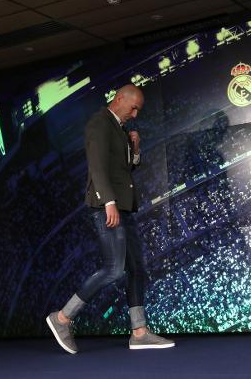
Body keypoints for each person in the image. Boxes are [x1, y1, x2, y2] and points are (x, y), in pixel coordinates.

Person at [46, 84, 175, 353]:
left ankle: (139, 333)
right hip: (108, 207)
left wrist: (135, 147)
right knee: (114, 269)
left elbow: (127, 169)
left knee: (136, 269)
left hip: (124, 207)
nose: (136, 113)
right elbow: (97, 166)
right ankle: (62, 318)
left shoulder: (120, 129)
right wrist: (109, 202)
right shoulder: (99, 123)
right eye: (134, 107)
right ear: (119, 99)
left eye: (138, 109)